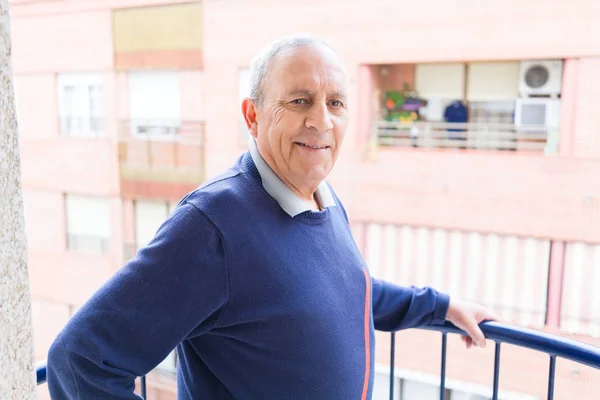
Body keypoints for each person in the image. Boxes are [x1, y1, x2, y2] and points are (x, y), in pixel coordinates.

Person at [47, 34, 497, 400]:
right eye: (300, 101)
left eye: (336, 103)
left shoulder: (321, 193)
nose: (321, 121)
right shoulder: (213, 225)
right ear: (253, 115)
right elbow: (79, 361)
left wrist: (440, 307)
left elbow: (343, 287)